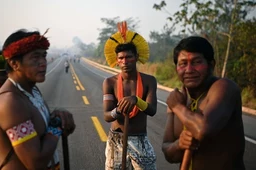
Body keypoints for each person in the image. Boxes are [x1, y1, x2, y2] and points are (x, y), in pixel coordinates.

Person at [0, 29, 76, 170]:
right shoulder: (10, 102)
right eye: (35, 57)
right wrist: (56, 127)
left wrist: (58, 116)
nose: (43, 62)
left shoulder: (32, 90)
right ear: (14, 64)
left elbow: (43, 128)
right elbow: (35, 162)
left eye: (43, 56)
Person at [162, 36, 245, 170]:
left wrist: (177, 106)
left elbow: (203, 130)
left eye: (196, 62)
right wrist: (179, 144)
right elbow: (168, 153)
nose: (189, 70)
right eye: (183, 64)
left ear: (211, 64)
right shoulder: (179, 98)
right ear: (176, 67)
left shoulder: (224, 88)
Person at [102, 21, 158, 170]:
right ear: (116, 60)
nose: (124, 62)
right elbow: (107, 116)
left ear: (137, 57)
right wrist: (118, 110)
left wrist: (136, 101)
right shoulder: (109, 82)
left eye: (128, 57)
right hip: (116, 139)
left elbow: (152, 110)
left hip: (140, 139)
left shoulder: (149, 81)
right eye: (121, 58)